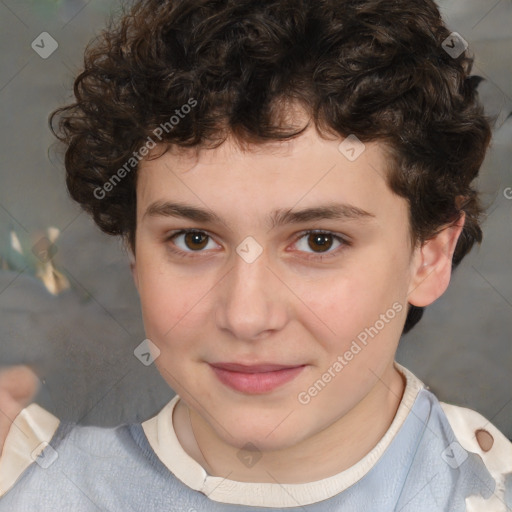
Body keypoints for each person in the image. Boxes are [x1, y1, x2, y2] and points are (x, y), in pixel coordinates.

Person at [0, 0, 511, 510]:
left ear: (430, 255)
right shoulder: (33, 486)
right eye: (193, 239)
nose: (246, 317)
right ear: (134, 254)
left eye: (318, 241)